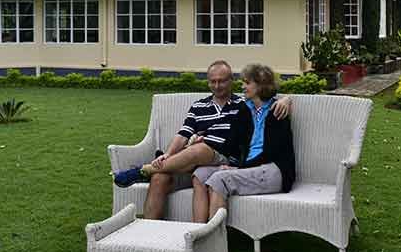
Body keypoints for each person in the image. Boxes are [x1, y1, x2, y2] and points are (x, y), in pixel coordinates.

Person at [112, 60, 291, 222]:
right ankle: (152, 230)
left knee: (201, 150)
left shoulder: (242, 105)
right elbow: (183, 133)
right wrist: (167, 155)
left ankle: (143, 170)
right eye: (213, 81)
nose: (217, 85)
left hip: (223, 156)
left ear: (231, 81)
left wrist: (287, 99)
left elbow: (268, 102)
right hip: (194, 158)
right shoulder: (200, 106)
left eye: (222, 81)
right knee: (160, 177)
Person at [192, 63, 295, 220]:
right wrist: (204, 140)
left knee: (220, 179)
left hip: (274, 170)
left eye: (247, 82)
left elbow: (272, 152)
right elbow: (229, 144)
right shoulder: (244, 110)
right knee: (200, 175)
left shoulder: (277, 110)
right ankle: (198, 231)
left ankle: (214, 239)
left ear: (260, 85)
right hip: (248, 167)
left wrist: (238, 169)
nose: (242, 86)